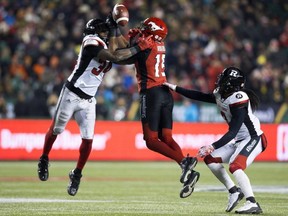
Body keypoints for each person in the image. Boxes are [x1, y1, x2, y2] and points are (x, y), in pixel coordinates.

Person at [37, 17, 153, 196]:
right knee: (57, 129)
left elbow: (123, 59)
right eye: (105, 31)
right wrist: (138, 47)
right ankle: (44, 158)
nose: (107, 34)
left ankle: (77, 174)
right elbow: (115, 56)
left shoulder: (104, 44)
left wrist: (142, 51)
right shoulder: (90, 42)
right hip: (72, 93)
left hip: (89, 100)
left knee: (88, 139)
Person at [111, 17, 200, 198]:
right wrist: (133, 41)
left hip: (151, 94)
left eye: (145, 28)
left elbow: (118, 57)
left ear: (152, 31)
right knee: (166, 137)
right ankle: (188, 170)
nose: (141, 29)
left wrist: (132, 42)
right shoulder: (159, 46)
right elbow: (135, 60)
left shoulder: (146, 46)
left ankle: (184, 161)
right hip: (166, 92)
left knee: (150, 140)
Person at [164, 66, 267, 214]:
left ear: (231, 83)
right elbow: (198, 95)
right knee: (210, 159)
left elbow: (232, 132)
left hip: (253, 138)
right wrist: (174, 87)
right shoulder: (221, 94)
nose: (220, 81)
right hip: (240, 139)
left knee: (235, 166)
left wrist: (212, 145)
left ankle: (252, 203)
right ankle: (234, 191)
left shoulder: (239, 99)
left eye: (224, 79)